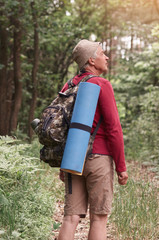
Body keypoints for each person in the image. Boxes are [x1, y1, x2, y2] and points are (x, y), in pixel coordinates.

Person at [57, 39, 128, 240]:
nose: (106, 57)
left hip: (72, 158)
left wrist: (64, 165)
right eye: (102, 53)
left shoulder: (69, 85)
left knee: (70, 218)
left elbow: (62, 126)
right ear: (91, 60)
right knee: (98, 218)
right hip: (98, 158)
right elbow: (114, 129)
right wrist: (121, 167)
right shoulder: (101, 84)